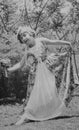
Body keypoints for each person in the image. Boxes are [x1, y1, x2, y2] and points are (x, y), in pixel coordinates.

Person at [7, 26, 72, 125]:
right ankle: (27, 115)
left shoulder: (40, 40)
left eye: (25, 35)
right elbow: (21, 64)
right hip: (37, 73)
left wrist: (67, 43)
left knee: (50, 91)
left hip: (48, 67)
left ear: (31, 34)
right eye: (21, 38)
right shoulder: (27, 50)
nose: (24, 38)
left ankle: (42, 112)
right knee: (34, 93)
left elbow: (53, 42)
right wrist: (9, 69)